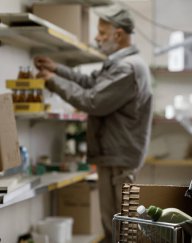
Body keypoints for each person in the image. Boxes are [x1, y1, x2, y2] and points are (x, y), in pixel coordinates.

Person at [34, 4, 153, 242]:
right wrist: (57, 70)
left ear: (118, 34)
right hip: (115, 155)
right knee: (116, 224)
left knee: (120, 228)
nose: (97, 38)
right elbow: (91, 82)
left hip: (119, 158)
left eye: (101, 33)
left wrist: (53, 81)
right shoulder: (120, 64)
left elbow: (92, 100)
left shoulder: (127, 69)